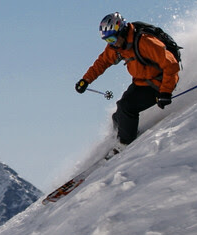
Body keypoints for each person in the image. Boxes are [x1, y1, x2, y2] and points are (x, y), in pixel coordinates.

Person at [75, 12, 180, 145]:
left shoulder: (144, 41)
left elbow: (171, 65)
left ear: (122, 31)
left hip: (158, 84)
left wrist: (165, 92)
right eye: (107, 41)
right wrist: (86, 80)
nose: (111, 44)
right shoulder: (117, 46)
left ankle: (125, 144)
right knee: (118, 116)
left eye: (112, 39)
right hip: (141, 82)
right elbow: (102, 63)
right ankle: (116, 141)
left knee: (126, 108)